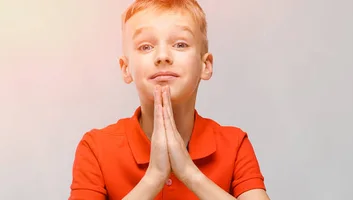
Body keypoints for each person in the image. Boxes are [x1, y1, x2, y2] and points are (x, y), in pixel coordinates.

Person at [69, 0, 270, 199]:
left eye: (180, 44)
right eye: (146, 46)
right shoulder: (95, 147)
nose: (162, 56)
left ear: (205, 65)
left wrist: (189, 173)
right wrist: (154, 178)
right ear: (125, 68)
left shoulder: (234, 144)